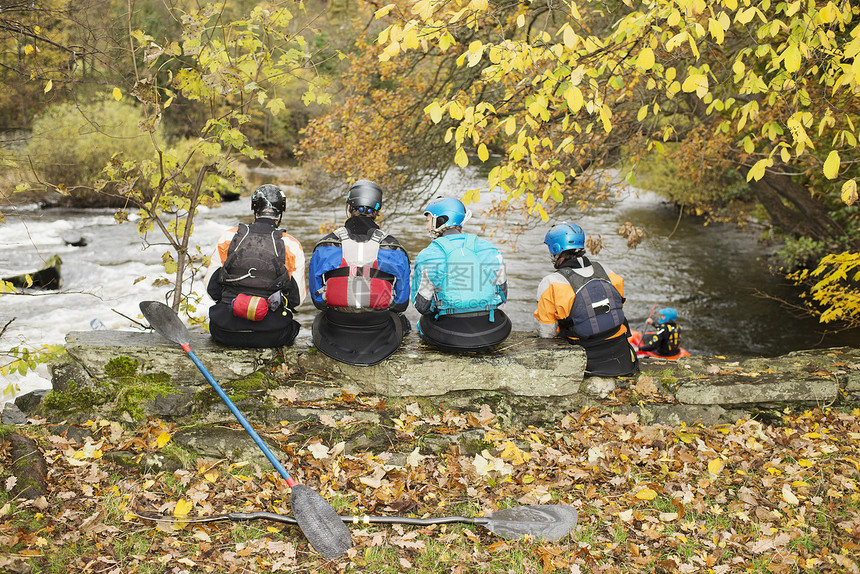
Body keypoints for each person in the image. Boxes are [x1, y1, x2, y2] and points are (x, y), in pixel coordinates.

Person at [308, 180, 411, 365]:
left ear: (348, 208)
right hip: (378, 330)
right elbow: (401, 303)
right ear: (377, 212)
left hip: (336, 328)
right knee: (402, 320)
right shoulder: (394, 247)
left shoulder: (325, 245)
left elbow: (318, 301)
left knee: (319, 317)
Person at [202, 184, 305, 347]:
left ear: (254, 209)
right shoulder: (291, 245)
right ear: (280, 212)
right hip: (271, 335)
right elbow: (296, 300)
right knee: (293, 327)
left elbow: (211, 289)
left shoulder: (229, 237)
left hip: (225, 331)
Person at [533, 222, 639, 377]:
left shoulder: (550, 283)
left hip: (589, 362)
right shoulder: (608, 272)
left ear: (555, 249)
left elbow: (546, 332)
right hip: (623, 358)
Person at [411, 197, 511, 351]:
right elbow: (502, 295)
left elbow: (421, 306)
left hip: (449, 334)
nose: (426, 227)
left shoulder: (427, 256)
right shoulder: (490, 249)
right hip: (492, 331)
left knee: (424, 320)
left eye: (429, 221)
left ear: (441, 220)